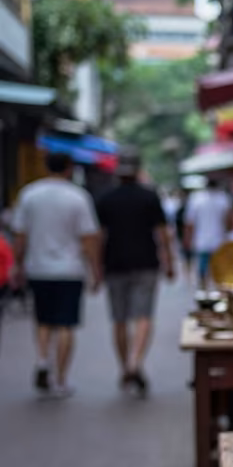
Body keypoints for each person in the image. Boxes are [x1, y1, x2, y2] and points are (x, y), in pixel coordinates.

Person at [10, 152, 102, 398]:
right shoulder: (78, 197)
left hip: (38, 268)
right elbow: (89, 238)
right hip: (70, 270)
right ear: (69, 168)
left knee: (43, 321)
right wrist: (95, 270)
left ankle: (42, 361)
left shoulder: (29, 194)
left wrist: (17, 266)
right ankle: (60, 379)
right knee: (66, 325)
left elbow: (20, 236)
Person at [95, 153, 174, 396]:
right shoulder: (149, 197)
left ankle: (124, 366)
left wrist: (96, 268)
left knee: (119, 319)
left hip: (114, 263)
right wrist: (169, 261)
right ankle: (135, 361)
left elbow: (99, 236)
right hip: (146, 263)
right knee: (144, 315)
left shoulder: (106, 198)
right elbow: (162, 233)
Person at [182, 178, 232, 287]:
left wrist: (187, 239)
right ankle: (212, 289)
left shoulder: (197, 199)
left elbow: (189, 223)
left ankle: (204, 288)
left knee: (204, 270)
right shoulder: (222, 198)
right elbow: (228, 221)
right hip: (218, 240)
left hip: (203, 240)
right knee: (215, 269)